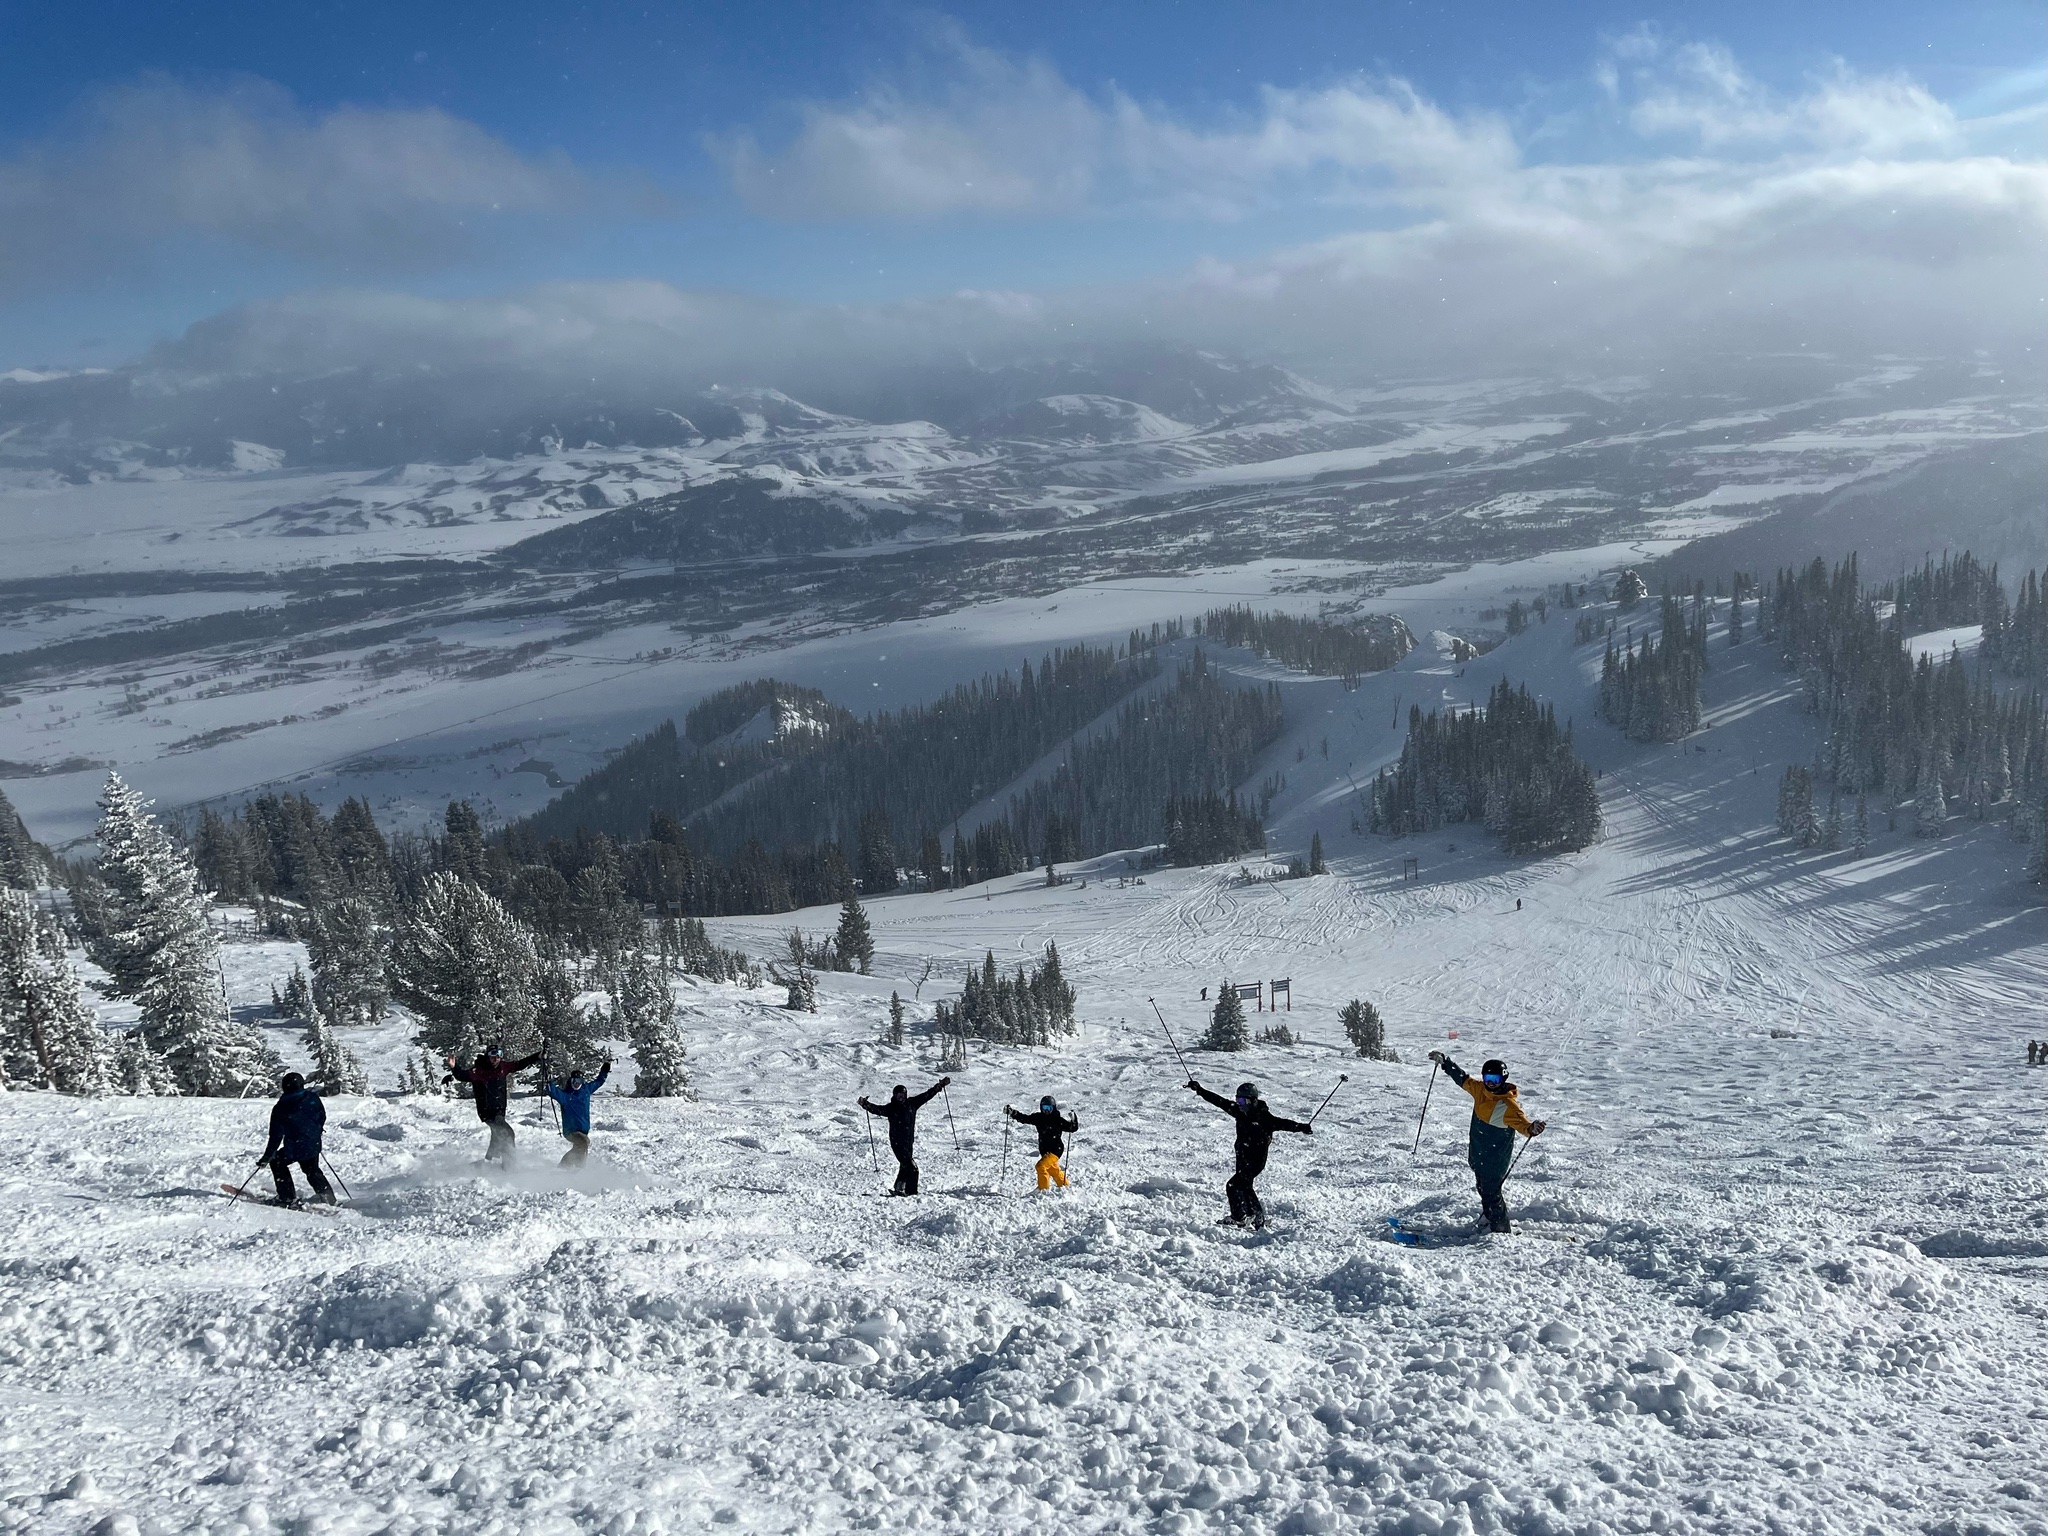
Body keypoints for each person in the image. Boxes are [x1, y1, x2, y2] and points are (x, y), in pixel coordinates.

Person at [1428, 1051, 1546, 1234]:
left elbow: (1524, 1125)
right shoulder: (1480, 1090)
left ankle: (1500, 1230)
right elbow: (1463, 1079)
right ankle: (1489, 1218)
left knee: (1492, 1194)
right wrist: (1446, 1063)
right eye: (1488, 1078)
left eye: (1495, 1079)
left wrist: (1532, 1128)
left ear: (1503, 1079)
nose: (1491, 1083)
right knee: (1483, 1187)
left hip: (1495, 1158)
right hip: (1479, 1152)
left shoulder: (1508, 1106)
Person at [1186, 1078, 1312, 1229]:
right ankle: (1255, 1218)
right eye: (1238, 1100)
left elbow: (1285, 1124)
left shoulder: (1264, 1118)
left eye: (1243, 1101)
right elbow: (1219, 1101)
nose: (1240, 1104)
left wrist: (1301, 1127)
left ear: (1252, 1101)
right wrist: (1199, 1090)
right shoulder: (1239, 1112)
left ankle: (1240, 1217)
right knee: (1245, 1187)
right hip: (1242, 1157)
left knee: (1233, 1186)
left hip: (1255, 1160)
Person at [446, 1042, 544, 1164]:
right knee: (507, 1133)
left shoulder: (503, 1067)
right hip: (487, 1111)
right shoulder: (479, 1071)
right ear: (488, 1056)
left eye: (499, 1055)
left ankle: (489, 1162)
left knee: (497, 1137)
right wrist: (454, 1067)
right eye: (493, 1055)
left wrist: (537, 1056)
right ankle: (509, 1165)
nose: (496, 1058)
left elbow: (519, 1064)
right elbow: (462, 1075)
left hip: (500, 1110)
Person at [858, 1078, 950, 1195]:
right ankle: (911, 1194)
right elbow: (878, 1109)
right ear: (894, 1096)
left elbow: (926, 1095)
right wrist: (865, 1104)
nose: (901, 1097)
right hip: (897, 1143)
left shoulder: (912, 1103)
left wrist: (939, 1086)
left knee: (905, 1166)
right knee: (913, 1169)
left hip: (908, 1142)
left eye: (902, 1095)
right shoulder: (891, 1108)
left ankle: (899, 1187)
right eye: (898, 1095)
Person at [260, 1071, 333, 1207]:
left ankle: (286, 1197)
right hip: (313, 1142)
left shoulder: (280, 1108)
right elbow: (321, 1116)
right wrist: (315, 1132)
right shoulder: (312, 1098)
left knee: (277, 1162)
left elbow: (276, 1136)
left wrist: (267, 1156)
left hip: (294, 1147)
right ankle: (328, 1197)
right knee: (312, 1169)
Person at [546, 1055, 612, 1168]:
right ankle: (579, 1168)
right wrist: (549, 1081)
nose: (577, 1083)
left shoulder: (585, 1090)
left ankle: (564, 1166)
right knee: (583, 1143)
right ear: (571, 1081)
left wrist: (604, 1070)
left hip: (584, 1129)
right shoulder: (566, 1096)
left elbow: (598, 1081)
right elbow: (552, 1091)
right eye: (575, 1081)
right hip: (571, 1131)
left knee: (580, 1147)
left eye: (579, 1081)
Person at [1005, 1095, 1080, 1191]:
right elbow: (1025, 1118)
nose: (1047, 1111)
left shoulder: (1057, 1120)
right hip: (1044, 1150)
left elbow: (1072, 1128)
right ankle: (1066, 1186)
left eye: (1049, 1108)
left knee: (1041, 1166)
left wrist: (1074, 1120)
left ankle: (1043, 1191)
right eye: (1045, 1108)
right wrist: (1012, 1113)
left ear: (1054, 1108)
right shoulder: (1039, 1118)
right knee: (1053, 1170)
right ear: (1041, 1108)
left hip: (1055, 1150)